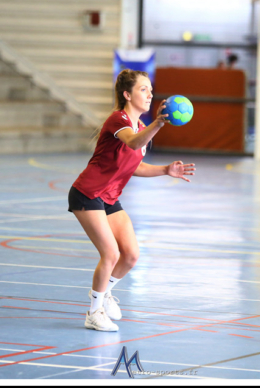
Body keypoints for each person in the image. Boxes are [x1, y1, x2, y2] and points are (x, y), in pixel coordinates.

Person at [68, 69, 195, 332]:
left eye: (150, 89)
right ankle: (94, 312)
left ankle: (106, 294)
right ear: (127, 94)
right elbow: (134, 144)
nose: (149, 94)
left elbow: (133, 164)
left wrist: (165, 170)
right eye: (143, 89)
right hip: (88, 194)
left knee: (132, 255)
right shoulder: (119, 120)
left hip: (110, 198)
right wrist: (159, 123)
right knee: (111, 253)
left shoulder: (140, 127)